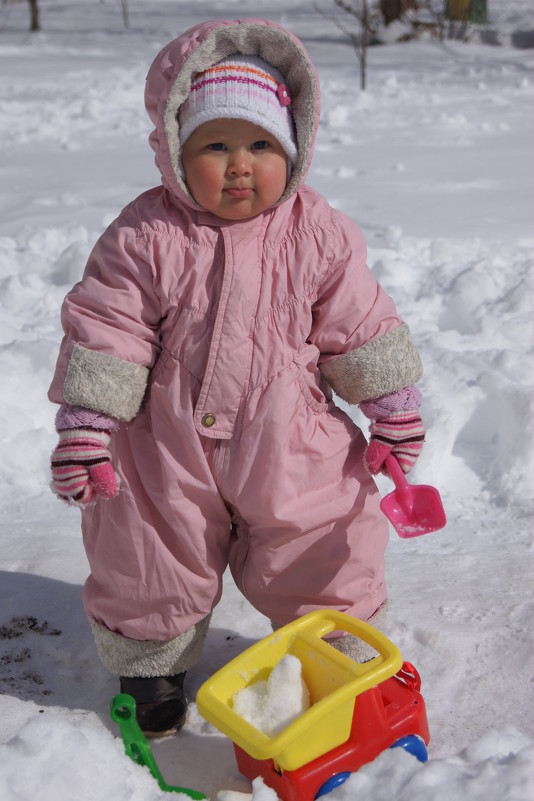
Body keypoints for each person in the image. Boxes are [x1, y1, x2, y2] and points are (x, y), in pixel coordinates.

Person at [49, 18, 425, 736]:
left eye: (260, 145)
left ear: (293, 148)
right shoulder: (143, 235)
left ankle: (334, 646)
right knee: (146, 544)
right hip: (165, 444)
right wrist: (88, 427)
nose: (239, 165)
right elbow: (109, 331)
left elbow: (360, 325)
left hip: (291, 436)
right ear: (174, 151)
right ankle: (151, 662)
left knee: (325, 531)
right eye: (214, 146)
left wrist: (392, 405)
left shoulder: (320, 232)